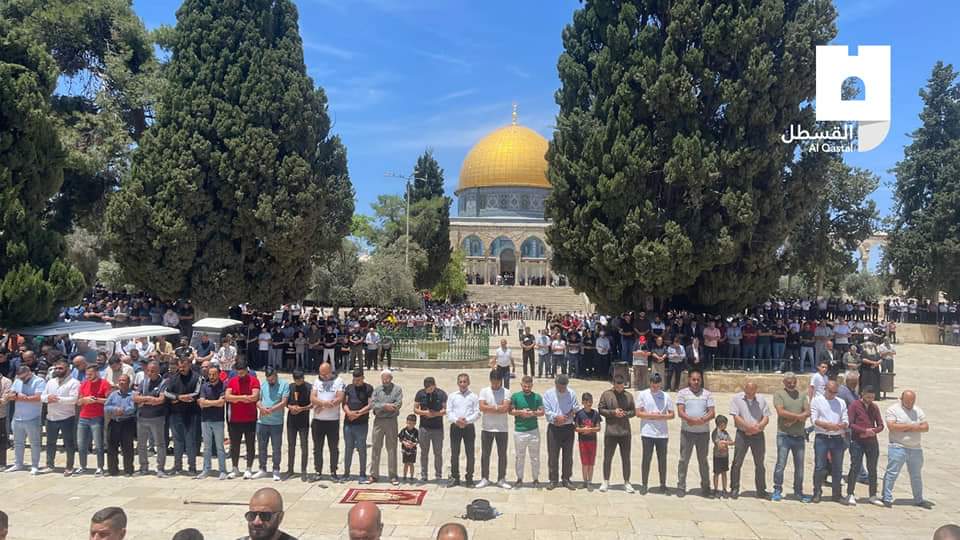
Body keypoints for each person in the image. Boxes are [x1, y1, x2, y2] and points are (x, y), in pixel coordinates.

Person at [882, 390, 932, 509]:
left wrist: (904, 428)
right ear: (902, 399)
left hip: (915, 448)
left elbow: (925, 427)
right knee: (892, 473)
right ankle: (886, 497)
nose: (910, 403)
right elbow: (892, 427)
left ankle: (918, 499)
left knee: (916, 475)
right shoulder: (893, 410)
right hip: (898, 447)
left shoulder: (918, 410)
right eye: (908, 401)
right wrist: (913, 426)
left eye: (912, 401)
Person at [771, 372, 811, 502]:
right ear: (784, 383)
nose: (792, 384)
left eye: (794, 382)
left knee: (799, 466)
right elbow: (781, 412)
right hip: (784, 435)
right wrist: (799, 417)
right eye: (789, 382)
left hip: (799, 435)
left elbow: (808, 411)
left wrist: (794, 420)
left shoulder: (802, 395)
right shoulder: (779, 394)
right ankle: (777, 489)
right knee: (781, 464)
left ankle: (798, 491)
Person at [676, 370, 715, 498]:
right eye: (694, 379)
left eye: (698, 379)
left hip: (703, 433)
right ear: (689, 380)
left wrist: (701, 420)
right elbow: (680, 411)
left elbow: (712, 412)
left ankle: (706, 487)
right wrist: (690, 420)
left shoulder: (707, 394)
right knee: (683, 460)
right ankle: (681, 486)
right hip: (687, 432)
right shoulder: (682, 393)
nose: (696, 382)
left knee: (703, 461)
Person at [729, 381, 770, 499]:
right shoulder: (737, 399)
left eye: (752, 392)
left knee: (760, 463)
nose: (750, 394)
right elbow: (736, 417)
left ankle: (761, 490)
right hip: (742, 434)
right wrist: (748, 427)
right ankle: (734, 488)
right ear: (744, 389)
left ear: (756, 390)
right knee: (737, 462)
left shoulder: (761, 400)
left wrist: (758, 427)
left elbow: (766, 417)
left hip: (758, 435)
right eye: (748, 391)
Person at [810, 380, 848, 504]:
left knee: (838, 467)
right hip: (822, 437)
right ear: (825, 389)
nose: (832, 394)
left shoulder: (841, 402)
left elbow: (845, 419)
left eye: (835, 392)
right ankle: (817, 492)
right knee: (820, 466)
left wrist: (841, 425)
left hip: (837, 438)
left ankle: (837, 494)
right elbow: (814, 419)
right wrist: (827, 425)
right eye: (830, 391)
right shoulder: (817, 401)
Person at [636, 372, 674, 494]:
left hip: (662, 433)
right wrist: (652, 416)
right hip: (647, 432)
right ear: (650, 383)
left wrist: (661, 416)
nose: (655, 388)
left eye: (657, 386)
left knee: (662, 460)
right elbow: (638, 413)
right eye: (653, 386)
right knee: (646, 459)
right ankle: (644, 484)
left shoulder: (666, 396)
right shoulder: (643, 394)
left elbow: (672, 414)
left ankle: (663, 484)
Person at [42, 359, 80, 475]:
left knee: (69, 443)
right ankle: (49, 465)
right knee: (50, 443)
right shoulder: (50, 382)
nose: (57, 370)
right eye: (56, 368)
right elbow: (42, 396)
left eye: (60, 368)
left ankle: (69, 466)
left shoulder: (74, 383)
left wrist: (57, 399)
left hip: (67, 418)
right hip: (51, 417)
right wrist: (47, 398)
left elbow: (74, 399)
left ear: (68, 369)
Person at [543, 373, 581, 490]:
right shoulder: (548, 394)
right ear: (555, 384)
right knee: (553, 455)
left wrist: (568, 415)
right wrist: (557, 417)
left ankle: (566, 478)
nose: (562, 389)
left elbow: (576, 407)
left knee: (568, 455)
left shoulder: (571, 393)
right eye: (560, 386)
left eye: (564, 387)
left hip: (568, 428)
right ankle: (553, 480)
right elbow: (547, 410)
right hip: (554, 428)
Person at [847, 385, 884, 506]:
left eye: (872, 397)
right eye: (868, 397)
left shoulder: (874, 407)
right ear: (862, 394)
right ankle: (850, 493)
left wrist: (873, 431)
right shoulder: (855, 405)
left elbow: (880, 425)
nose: (870, 399)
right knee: (855, 467)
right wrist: (864, 431)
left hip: (872, 441)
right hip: (858, 441)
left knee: (872, 468)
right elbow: (850, 423)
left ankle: (873, 495)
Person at [597, 375, 635, 492]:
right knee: (608, 457)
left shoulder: (628, 396)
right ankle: (606, 481)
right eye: (617, 385)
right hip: (611, 432)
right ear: (613, 384)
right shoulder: (607, 394)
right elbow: (601, 409)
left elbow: (633, 411)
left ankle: (627, 482)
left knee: (626, 458)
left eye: (621, 385)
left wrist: (624, 414)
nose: (619, 387)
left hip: (625, 432)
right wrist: (613, 412)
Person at [4, 366, 45, 474]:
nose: (22, 380)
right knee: (17, 443)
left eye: (24, 378)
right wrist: (16, 396)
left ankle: (35, 465)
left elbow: (38, 397)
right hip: (17, 417)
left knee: (34, 443)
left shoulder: (39, 381)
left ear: (29, 373)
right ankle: (18, 463)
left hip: (33, 417)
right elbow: (10, 395)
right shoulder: (17, 380)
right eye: (20, 377)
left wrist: (23, 398)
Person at [165, 356, 202, 475]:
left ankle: (192, 467)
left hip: (191, 414)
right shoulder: (173, 378)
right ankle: (177, 466)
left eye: (184, 366)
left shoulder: (197, 377)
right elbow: (166, 393)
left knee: (190, 441)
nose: (182, 369)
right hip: (175, 414)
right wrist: (179, 397)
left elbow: (196, 394)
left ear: (189, 365)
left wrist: (178, 398)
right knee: (177, 441)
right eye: (180, 367)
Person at [225, 360, 261, 479]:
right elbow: (227, 397)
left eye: (242, 372)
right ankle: (235, 468)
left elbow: (255, 397)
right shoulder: (232, 380)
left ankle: (249, 468)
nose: (240, 375)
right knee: (234, 445)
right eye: (238, 372)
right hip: (235, 419)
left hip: (250, 418)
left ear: (246, 370)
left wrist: (237, 399)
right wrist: (244, 397)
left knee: (250, 444)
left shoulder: (254, 380)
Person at [477, 369, 511, 489]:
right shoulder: (484, 391)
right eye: (494, 382)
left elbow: (505, 408)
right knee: (485, 454)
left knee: (502, 454)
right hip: (487, 427)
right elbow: (481, 407)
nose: (496, 385)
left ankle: (501, 478)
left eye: (498, 382)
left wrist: (490, 407)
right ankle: (484, 478)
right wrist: (497, 407)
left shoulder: (506, 392)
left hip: (502, 428)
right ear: (490, 381)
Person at [134, 361, 169, 476]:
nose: (149, 373)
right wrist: (150, 399)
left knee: (160, 444)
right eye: (148, 371)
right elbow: (135, 398)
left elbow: (160, 400)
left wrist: (144, 400)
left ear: (158, 371)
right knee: (142, 445)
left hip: (157, 418)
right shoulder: (143, 382)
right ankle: (143, 468)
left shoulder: (164, 382)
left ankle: (160, 468)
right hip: (142, 418)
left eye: (152, 371)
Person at [311, 362, 345, 481]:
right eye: (321, 374)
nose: (323, 376)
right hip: (318, 420)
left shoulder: (339, 381)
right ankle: (318, 470)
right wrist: (323, 403)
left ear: (330, 371)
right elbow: (313, 397)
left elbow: (339, 398)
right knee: (317, 447)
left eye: (325, 374)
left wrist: (323, 406)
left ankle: (333, 471)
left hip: (332, 420)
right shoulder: (317, 381)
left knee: (333, 447)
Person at [446, 372, 479, 487]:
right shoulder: (452, 396)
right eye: (460, 382)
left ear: (468, 382)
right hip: (455, 427)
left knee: (470, 454)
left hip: (468, 427)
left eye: (465, 381)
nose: (463, 384)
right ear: (457, 383)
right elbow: (449, 411)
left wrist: (466, 421)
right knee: (454, 453)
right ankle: (455, 477)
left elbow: (477, 413)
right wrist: (457, 421)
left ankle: (469, 478)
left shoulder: (474, 396)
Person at [254, 367, 288, 481]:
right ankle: (262, 469)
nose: (270, 382)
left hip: (276, 422)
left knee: (276, 447)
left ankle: (276, 469)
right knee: (262, 447)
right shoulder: (263, 385)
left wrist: (271, 410)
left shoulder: (284, 384)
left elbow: (284, 402)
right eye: (268, 380)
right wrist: (261, 408)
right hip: (262, 421)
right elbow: (258, 400)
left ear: (276, 376)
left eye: (272, 379)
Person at [369, 369, 402, 485]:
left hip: (391, 421)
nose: (385, 380)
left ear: (391, 378)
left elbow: (397, 405)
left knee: (392, 448)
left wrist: (382, 407)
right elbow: (373, 404)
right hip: (378, 421)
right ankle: (374, 474)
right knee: (376, 447)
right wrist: (385, 406)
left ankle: (393, 475)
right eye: (383, 378)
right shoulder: (377, 390)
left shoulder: (397, 390)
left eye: (387, 378)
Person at [510, 375, 544, 487]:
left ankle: (535, 478)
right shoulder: (515, 396)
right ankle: (519, 478)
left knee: (535, 457)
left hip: (533, 430)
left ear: (532, 386)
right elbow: (511, 411)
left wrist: (532, 413)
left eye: (529, 386)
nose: (527, 388)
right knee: (520, 456)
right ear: (521, 385)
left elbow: (541, 411)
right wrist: (521, 412)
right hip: (520, 430)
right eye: (525, 386)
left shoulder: (537, 397)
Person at [78, 364, 111, 476]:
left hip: (97, 417)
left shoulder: (104, 384)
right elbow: (78, 402)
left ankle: (100, 467)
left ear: (97, 373)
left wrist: (96, 400)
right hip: (83, 417)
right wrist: (84, 400)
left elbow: (109, 400)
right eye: (87, 374)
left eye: (90, 374)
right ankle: (82, 466)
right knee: (81, 444)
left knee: (98, 444)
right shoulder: (83, 384)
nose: (88, 376)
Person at [197, 365, 228, 480]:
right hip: (205, 420)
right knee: (206, 447)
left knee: (220, 447)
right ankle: (206, 469)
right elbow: (201, 403)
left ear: (219, 374)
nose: (211, 376)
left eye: (214, 374)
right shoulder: (204, 386)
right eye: (210, 374)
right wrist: (214, 402)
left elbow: (221, 403)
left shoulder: (223, 386)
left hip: (218, 420)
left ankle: (223, 470)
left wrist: (207, 402)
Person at [413, 376, 446, 483]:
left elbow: (445, 410)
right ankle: (424, 474)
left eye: (431, 389)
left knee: (438, 453)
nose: (429, 391)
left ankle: (438, 474)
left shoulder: (441, 394)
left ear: (434, 385)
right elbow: (415, 409)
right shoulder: (420, 394)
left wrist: (435, 414)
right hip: (424, 428)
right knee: (424, 453)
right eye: (427, 389)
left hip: (437, 428)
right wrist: (425, 413)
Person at [343, 369, 374, 482]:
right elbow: (344, 404)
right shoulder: (349, 388)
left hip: (361, 423)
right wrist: (349, 413)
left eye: (359, 380)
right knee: (348, 448)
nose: (356, 382)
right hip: (348, 423)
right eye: (355, 380)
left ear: (363, 378)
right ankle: (346, 473)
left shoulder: (368, 388)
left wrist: (358, 413)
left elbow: (370, 405)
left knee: (361, 448)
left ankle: (362, 473)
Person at [104, 374, 136, 476]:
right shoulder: (113, 394)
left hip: (127, 422)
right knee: (112, 447)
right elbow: (106, 407)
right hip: (114, 422)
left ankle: (128, 470)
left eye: (124, 380)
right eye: (120, 380)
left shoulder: (133, 394)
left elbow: (133, 408)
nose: (121, 382)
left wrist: (123, 411)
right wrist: (115, 410)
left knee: (127, 447)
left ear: (128, 382)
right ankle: (112, 470)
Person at [285, 369, 312, 481]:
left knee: (304, 446)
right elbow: (285, 402)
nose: (298, 382)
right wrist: (291, 407)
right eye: (296, 380)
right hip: (291, 420)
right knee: (291, 445)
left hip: (303, 420)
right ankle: (290, 469)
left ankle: (304, 470)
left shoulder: (309, 387)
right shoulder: (290, 387)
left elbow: (312, 404)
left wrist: (302, 409)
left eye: (300, 380)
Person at [574, 391, 601, 489]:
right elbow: (576, 428)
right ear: (583, 402)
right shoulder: (579, 414)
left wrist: (589, 429)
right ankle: (585, 481)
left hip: (592, 441)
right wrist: (583, 430)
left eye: (590, 402)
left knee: (591, 462)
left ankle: (590, 481)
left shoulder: (595, 414)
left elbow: (598, 428)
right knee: (584, 462)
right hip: (583, 441)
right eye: (586, 402)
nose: (589, 404)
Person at [712, 415, 733, 498]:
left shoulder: (725, 432)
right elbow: (719, 444)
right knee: (716, 473)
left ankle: (724, 489)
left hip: (725, 456)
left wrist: (725, 442)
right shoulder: (715, 433)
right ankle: (716, 489)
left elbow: (731, 441)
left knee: (724, 472)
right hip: (717, 456)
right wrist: (725, 443)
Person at [399, 413, 419, 482]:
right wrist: (404, 443)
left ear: (415, 423)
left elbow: (418, 440)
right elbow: (400, 438)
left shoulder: (416, 431)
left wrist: (413, 444)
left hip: (413, 450)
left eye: (412, 423)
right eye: (409, 423)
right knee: (405, 464)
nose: (410, 425)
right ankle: (404, 476)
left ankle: (411, 476)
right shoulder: (403, 431)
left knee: (411, 464)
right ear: (406, 422)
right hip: (405, 450)